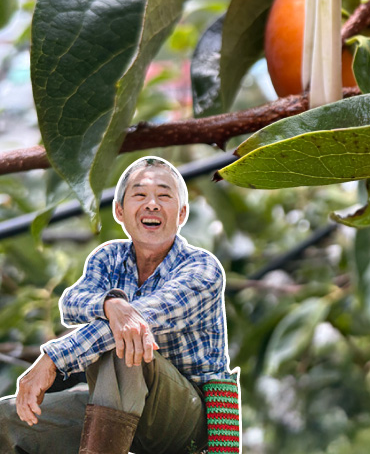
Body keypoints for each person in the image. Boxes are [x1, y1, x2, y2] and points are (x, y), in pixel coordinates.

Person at [0, 156, 237, 454]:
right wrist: (111, 304)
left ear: (182, 214)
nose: (152, 204)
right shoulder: (108, 257)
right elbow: (72, 303)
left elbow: (141, 321)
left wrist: (52, 359)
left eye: (164, 195)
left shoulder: (202, 269)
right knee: (9, 422)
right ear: (120, 211)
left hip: (185, 417)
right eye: (139, 194)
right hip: (114, 407)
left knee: (127, 346)